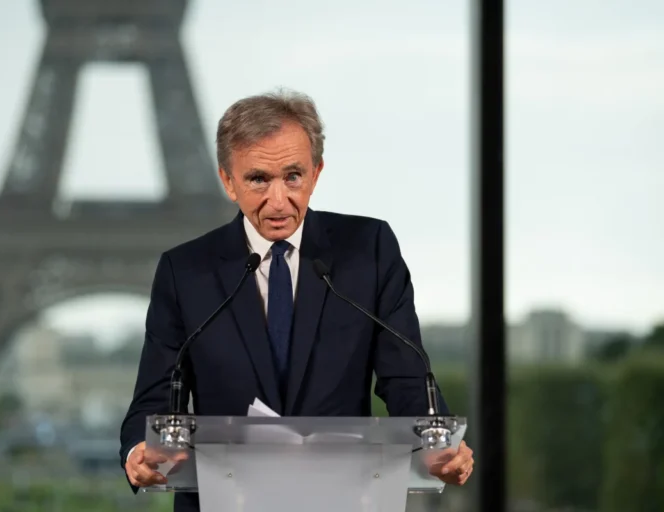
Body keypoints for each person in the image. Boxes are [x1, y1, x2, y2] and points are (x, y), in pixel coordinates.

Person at [119, 90, 474, 510]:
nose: (278, 200)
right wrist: (140, 450)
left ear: (316, 173)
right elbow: (156, 396)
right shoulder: (185, 271)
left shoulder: (369, 250)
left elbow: (406, 377)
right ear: (228, 181)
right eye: (258, 179)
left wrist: (438, 443)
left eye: (293, 176)